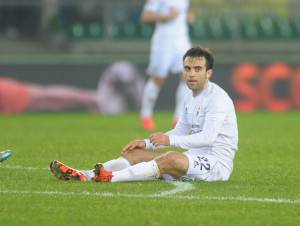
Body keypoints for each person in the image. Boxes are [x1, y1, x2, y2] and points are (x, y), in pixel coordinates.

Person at [50, 47, 239, 183]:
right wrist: (147, 143)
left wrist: (169, 141)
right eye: (187, 68)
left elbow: (208, 138)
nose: (191, 74)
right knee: (136, 154)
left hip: (216, 166)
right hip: (193, 159)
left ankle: (110, 178)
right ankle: (86, 174)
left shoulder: (218, 98)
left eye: (198, 69)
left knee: (170, 158)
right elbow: (181, 130)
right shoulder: (190, 98)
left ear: (209, 73)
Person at [0, 61, 144, 115]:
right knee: (48, 102)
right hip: (12, 100)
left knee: (48, 97)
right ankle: (93, 101)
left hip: (12, 92)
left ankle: (93, 100)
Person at [140, 0, 194, 131]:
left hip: (182, 39)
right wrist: (165, 17)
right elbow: (145, 16)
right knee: (159, 78)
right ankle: (145, 114)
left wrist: (189, 16)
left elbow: (185, 12)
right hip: (163, 41)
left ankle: (178, 118)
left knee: (188, 75)